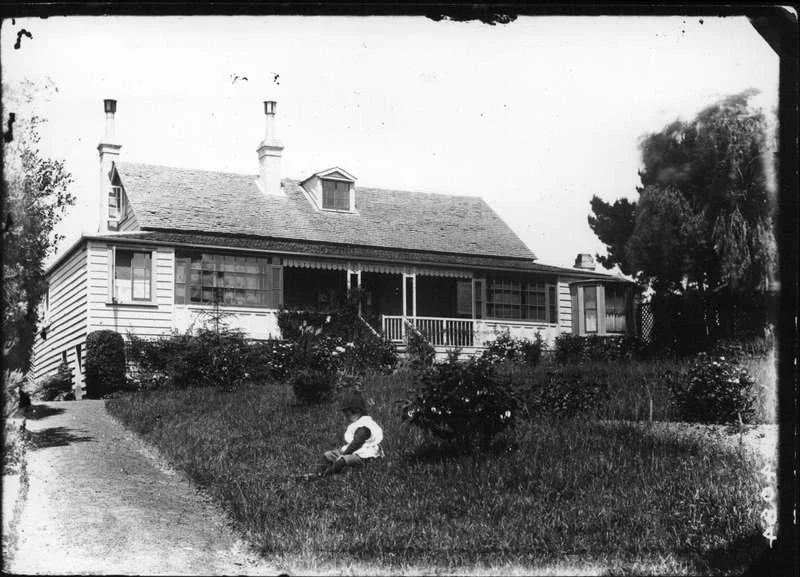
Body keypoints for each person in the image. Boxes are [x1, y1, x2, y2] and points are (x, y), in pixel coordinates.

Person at [318, 390, 384, 477]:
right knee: (327, 455)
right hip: (355, 451)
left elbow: (357, 442)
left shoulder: (365, 424)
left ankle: (328, 474)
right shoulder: (356, 423)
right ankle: (317, 473)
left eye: (346, 412)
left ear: (355, 410)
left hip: (365, 455)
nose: (345, 415)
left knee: (342, 461)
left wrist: (343, 455)